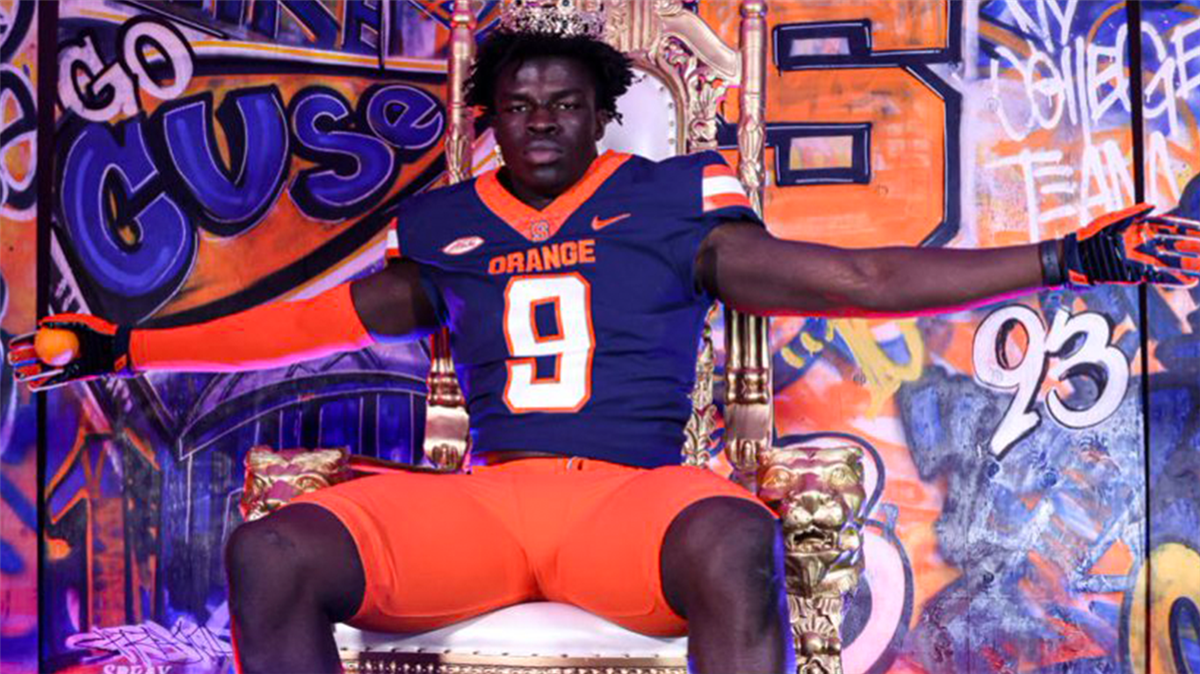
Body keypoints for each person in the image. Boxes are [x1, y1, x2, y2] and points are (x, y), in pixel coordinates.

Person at [11, 21, 1200, 674]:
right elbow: (307, 326)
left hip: (630, 505)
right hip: (488, 507)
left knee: (736, 532)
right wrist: (120, 338)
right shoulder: (451, 225)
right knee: (271, 551)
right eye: (520, 107)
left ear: (599, 113)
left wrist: (1075, 257)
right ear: (492, 120)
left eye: (564, 106)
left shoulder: (674, 201)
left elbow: (863, 276)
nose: (542, 124)